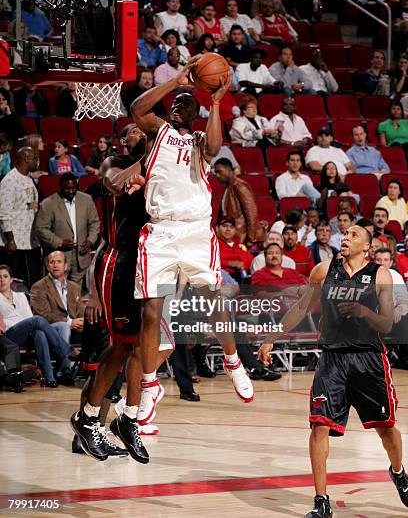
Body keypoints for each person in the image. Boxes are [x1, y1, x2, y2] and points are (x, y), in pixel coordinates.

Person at [130, 57, 254, 425]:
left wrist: (216, 101)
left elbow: (216, 149)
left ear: (197, 112)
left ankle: (233, 361)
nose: (177, 106)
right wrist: (177, 81)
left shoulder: (201, 140)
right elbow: (138, 108)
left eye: (186, 102)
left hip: (197, 231)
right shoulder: (158, 133)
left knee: (214, 298)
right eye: (175, 103)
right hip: (161, 231)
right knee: (151, 312)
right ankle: (150, 383)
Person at [259, 224, 407, 517]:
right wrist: (270, 338)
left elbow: (388, 324)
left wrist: (365, 312)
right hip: (332, 359)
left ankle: (399, 471)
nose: (346, 238)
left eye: (354, 235)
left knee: (386, 430)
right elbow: (302, 307)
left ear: (367, 247)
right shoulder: (323, 270)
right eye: (345, 234)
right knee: (319, 426)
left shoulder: (380, 275)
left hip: (369, 359)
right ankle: (321, 502)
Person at [71, 124, 173, 461]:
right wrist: (146, 155)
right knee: (120, 346)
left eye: (145, 131)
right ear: (123, 139)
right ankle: (87, 420)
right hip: (118, 261)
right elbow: (113, 182)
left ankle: (126, 419)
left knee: (142, 347)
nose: (140, 134)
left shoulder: (160, 169)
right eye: (132, 130)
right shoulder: (115, 161)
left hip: (148, 262)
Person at [0, 264, 73, 387]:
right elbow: (7, 322)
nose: (2, 279)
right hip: (9, 335)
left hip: (26, 332)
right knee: (37, 320)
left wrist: (26, 325)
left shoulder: (21, 296)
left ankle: (49, 378)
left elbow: (28, 316)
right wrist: (23, 324)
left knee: (40, 333)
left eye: (5, 276)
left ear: (11, 279)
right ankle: (67, 351)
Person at [34, 172, 100, 285]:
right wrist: (60, 242)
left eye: (73, 188)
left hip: (81, 256)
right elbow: (40, 228)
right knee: (58, 293)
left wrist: (90, 240)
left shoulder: (86, 199)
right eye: (67, 189)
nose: (70, 191)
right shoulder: (48, 203)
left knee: (75, 294)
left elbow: (94, 223)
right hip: (58, 257)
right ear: (60, 187)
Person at [0, 147, 41, 288]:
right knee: (17, 284)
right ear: (26, 159)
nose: (38, 161)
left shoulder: (28, 177)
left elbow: (29, 204)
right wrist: (10, 240)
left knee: (33, 281)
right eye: (35, 158)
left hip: (30, 240)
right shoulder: (9, 181)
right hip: (16, 244)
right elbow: (4, 213)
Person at [30, 251, 84, 344]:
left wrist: (82, 321)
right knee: (64, 327)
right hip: (52, 328)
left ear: (65, 266)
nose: (55, 265)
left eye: (59, 262)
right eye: (52, 262)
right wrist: (69, 322)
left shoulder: (74, 287)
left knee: (98, 329)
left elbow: (80, 312)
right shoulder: (38, 287)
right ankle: (64, 357)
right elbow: (44, 315)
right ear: (48, 267)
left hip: (75, 328)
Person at [214, 157, 265, 244]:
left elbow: (251, 212)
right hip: (233, 235)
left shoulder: (239, 185)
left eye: (219, 172)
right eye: (215, 172)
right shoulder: (229, 187)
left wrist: (251, 238)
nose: (217, 175)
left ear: (229, 170)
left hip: (242, 236)